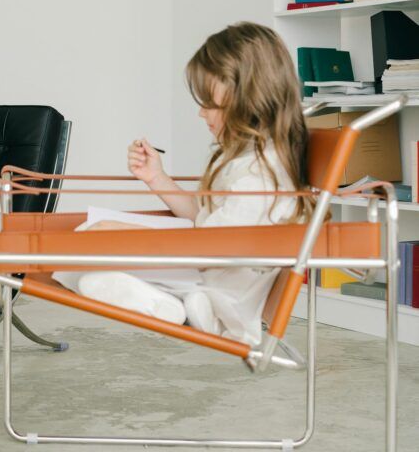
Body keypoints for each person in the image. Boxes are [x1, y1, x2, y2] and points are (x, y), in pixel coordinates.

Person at [56, 22, 311, 345]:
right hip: (203, 268)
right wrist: (157, 179)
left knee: (87, 260)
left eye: (209, 104)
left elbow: (210, 246)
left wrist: (126, 235)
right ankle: (168, 302)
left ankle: (176, 308)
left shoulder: (259, 174)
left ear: (248, 98)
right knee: (86, 249)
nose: (202, 114)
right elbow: (202, 218)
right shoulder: (246, 158)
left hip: (215, 284)